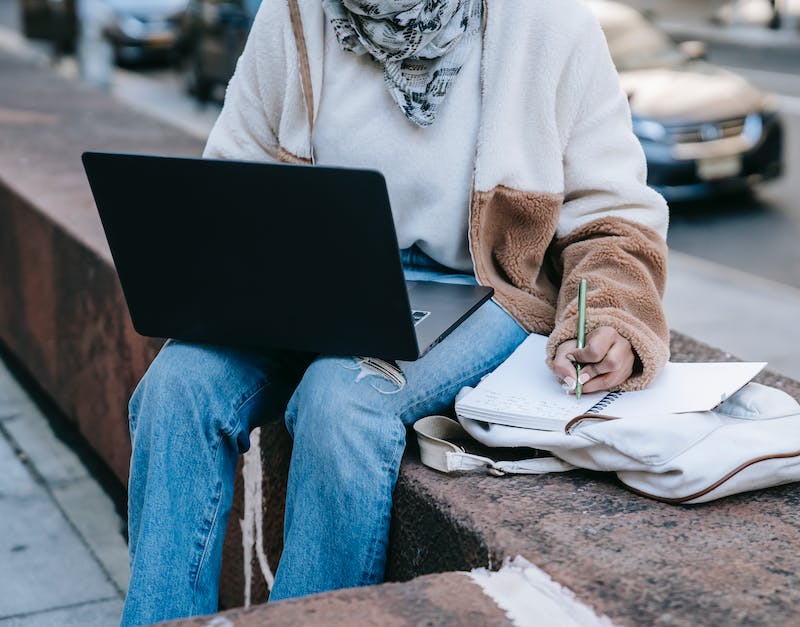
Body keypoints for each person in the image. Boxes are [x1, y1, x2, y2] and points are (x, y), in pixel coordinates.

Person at [120, 0, 669, 624]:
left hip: (477, 286)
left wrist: (614, 317)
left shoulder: (549, 24)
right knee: (176, 387)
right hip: (309, 275)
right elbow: (233, 171)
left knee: (341, 401)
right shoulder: (295, 14)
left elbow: (615, 217)